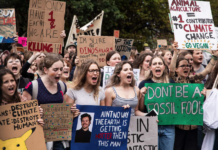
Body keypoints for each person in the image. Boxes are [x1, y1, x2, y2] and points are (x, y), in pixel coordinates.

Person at [23, 53, 68, 150]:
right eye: (55, 70)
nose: (59, 73)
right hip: (38, 137)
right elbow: (23, 114)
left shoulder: (62, 86)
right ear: (45, 70)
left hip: (57, 138)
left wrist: (71, 110)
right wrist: (35, 112)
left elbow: (64, 109)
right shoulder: (33, 86)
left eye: (61, 69)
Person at [139, 55, 175, 150]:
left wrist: (199, 95)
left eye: (160, 63)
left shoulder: (171, 83)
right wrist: (142, 95)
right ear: (150, 67)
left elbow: (177, 105)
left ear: (164, 67)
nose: (157, 66)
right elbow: (141, 109)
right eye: (154, 64)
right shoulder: (143, 84)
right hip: (150, 126)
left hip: (168, 127)